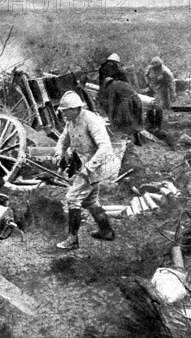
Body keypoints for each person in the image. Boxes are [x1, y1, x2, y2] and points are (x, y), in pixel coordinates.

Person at [53, 91, 121, 250]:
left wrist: (89, 168)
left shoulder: (91, 120)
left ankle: (72, 239)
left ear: (74, 108)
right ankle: (107, 231)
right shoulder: (72, 121)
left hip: (94, 167)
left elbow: (105, 147)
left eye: (65, 110)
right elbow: (64, 138)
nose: (63, 113)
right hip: (83, 165)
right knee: (91, 201)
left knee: (72, 197)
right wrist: (58, 153)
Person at [100, 77, 143, 146]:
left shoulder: (111, 87)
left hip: (129, 102)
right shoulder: (122, 82)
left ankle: (130, 140)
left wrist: (111, 119)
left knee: (125, 121)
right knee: (136, 120)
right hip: (137, 100)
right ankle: (137, 138)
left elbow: (112, 104)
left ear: (107, 84)